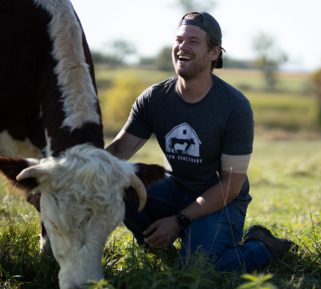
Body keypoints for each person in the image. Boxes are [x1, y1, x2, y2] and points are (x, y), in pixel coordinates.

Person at [106, 11, 296, 272]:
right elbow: (117, 151)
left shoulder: (234, 106)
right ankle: (161, 249)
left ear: (214, 52)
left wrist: (178, 220)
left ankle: (261, 245)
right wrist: (67, 176)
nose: (182, 47)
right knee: (120, 182)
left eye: (193, 41)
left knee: (198, 269)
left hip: (221, 201)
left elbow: (231, 185)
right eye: (179, 40)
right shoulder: (154, 98)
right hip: (175, 188)